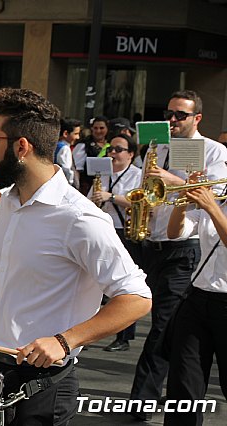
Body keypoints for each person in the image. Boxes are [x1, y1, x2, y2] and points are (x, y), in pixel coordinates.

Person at [0, 87, 152, 426]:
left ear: (21, 147)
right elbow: (4, 269)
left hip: (45, 385)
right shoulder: (12, 201)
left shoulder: (80, 218)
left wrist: (65, 340)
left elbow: (137, 298)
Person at [129, 89, 227, 421]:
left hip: (198, 269)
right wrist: (175, 199)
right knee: (183, 379)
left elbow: (212, 207)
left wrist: (179, 185)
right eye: (169, 113)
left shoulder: (212, 152)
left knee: (160, 331)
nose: (172, 120)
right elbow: (176, 225)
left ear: (197, 118)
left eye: (180, 115)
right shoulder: (160, 148)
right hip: (183, 275)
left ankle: (141, 400)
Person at [164, 175, 227, 426]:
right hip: (198, 296)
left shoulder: (215, 203)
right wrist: (182, 200)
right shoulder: (220, 196)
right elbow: (174, 233)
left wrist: (211, 207)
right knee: (184, 381)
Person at [88, 133, 143, 352]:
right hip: (105, 232)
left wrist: (110, 197)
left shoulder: (137, 175)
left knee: (125, 287)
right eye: (111, 149)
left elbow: (140, 202)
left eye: (119, 150)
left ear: (130, 154)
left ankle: (124, 336)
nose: (113, 153)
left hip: (127, 232)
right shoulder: (103, 174)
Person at [73, 115, 109, 195]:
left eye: (102, 128)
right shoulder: (84, 145)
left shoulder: (111, 144)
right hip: (87, 187)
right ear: (91, 128)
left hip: (107, 187)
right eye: (95, 128)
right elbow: (77, 170)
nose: (98, 131)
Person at [55, 118, 81, 188]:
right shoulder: (65, 149)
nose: (78, 137)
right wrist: (70, 184)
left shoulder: (55, 145)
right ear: (65, 133)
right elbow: (67, 170)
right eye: (75, 134)